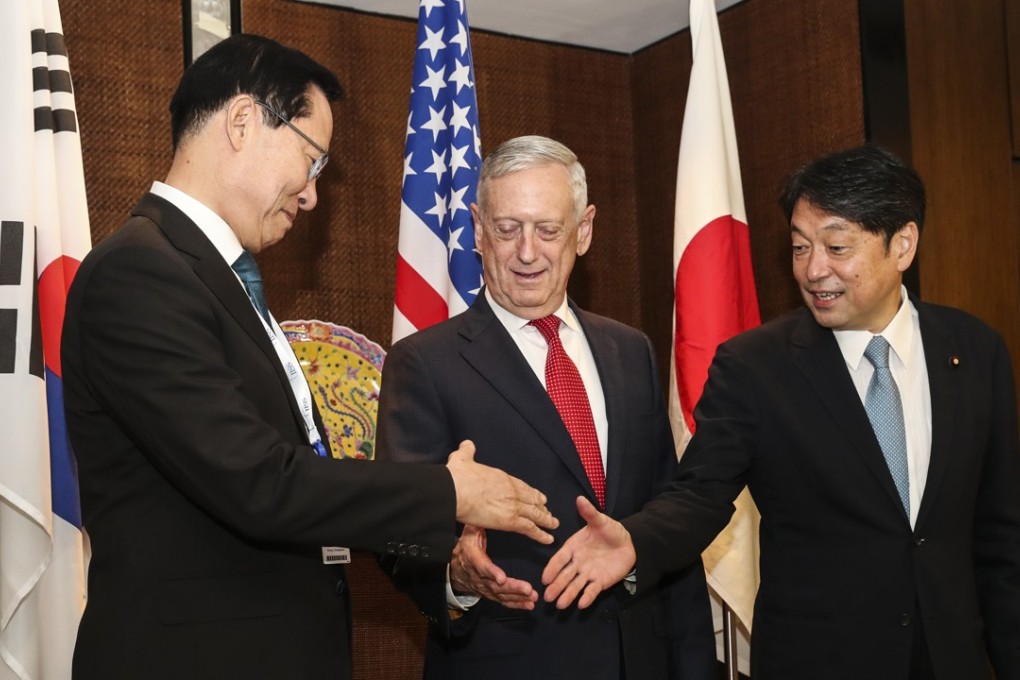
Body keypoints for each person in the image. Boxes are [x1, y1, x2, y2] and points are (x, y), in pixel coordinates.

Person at [61, 35, 557, 680]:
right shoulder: (138, 273)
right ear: (243, 121)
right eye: (312, 160)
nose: (311, 194)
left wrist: (448, 570)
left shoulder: (219, 278)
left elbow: (299, 483)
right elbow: (260, 483)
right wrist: (448, 490)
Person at [542, 145, 1020, 679]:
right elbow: (699, 494)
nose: (814, 270)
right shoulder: (756, 366)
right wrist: (637, 540)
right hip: (821, 662)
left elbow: (1000, 533)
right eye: (799, 247)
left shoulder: (975, 351)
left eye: (837, 246)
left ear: (902, 244)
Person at [375, 135, 715, 680]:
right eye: (507, 230)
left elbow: (666, 514)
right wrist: (456, 577)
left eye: (548, 230)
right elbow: (395, 529)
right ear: (478, 231)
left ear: (583, 232)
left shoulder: (630, 350)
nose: (527, 252)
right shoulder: (424, 363)